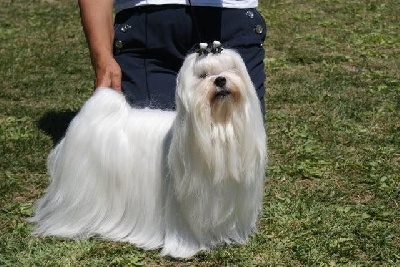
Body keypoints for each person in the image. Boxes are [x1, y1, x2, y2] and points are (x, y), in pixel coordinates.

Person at [78, 0, 267, 112]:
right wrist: (102, 56)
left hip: (232, 23)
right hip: (148, 35)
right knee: (146, 155)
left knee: (239, 152)